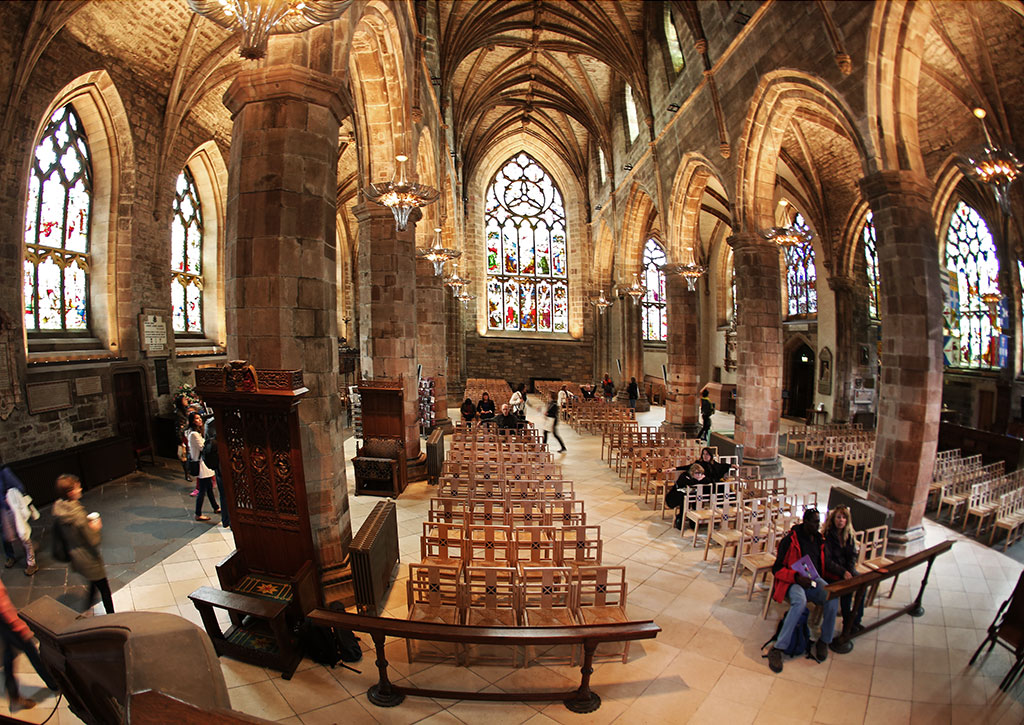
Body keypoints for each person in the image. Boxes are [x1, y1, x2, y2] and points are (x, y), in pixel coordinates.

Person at [766, 508, 840, 673]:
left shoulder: (819, 540)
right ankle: (778, 648)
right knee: (800, 603)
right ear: (805, 522)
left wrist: (842, 572)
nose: (818, 525)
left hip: (813, 580)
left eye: (819, 522)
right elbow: (777, 569)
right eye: (815, 522)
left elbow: (823, 564)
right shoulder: (790, 540)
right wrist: (796, 578)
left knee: (832, 597)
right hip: (794, 581)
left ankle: (824, 640)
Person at [53, 474, 114, 614]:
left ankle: (86, 610)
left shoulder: (60, 509)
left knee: (94, 583)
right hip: (89, 558)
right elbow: (93, 541)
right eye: (77, 487)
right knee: (104, 589)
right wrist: (95, 528)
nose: (80, 489)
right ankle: (112, 616)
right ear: (70, 492)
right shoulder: (78, 515)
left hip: (76, 556)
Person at [0, 580, 57, 712]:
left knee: (9, 654)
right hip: (8, 622)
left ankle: (14, 696)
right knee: (31, 651)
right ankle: (53, 684)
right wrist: (20, 626)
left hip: (3, 623)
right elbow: (3, 605)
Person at [823, 505, 863, 639]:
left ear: (847, 520)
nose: (841, 520)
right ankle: (848, 622)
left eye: (843, 517)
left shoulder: (849, 535)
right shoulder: (828, 536)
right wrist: (843, 572)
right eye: (838, 517)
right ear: (833, 519)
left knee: (863, 585)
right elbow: (828, 561)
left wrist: (850, 570)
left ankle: (856, 620)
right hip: (833, 572)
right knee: (847, 590)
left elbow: (852, 555)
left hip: (846, 570)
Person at [0, 462, 37, 576]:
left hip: (11, 509)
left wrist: (9, 498)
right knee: (6, 536)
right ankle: (10, 556)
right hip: (2, 509)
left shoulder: (4, 472)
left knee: (23, 534)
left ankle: (32, 563)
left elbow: (19, 487)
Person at [187, 411, 220, 522]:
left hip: (204, 464)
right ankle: (198, 513)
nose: (200, 420)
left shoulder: (197, 432)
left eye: (200, 418)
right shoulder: (194, 434)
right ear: (192, 421)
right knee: (202, 490)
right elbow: (203, 447)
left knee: (209, 488)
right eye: (197, 418)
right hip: (201, 464)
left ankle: (215, 507)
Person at [203, 420, 229, 529]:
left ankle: (226, 520)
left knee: (223, 496)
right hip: (223, 467)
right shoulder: (215, 423)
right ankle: (229, 521)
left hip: (218, 468)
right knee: (227, 496)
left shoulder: (208, 424)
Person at [665, 463, 706, 529]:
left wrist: (700, 480)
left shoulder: (698, 478)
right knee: (684, 501)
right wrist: (699, 480)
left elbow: (708, 481)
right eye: (697, 473)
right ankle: (680, 519)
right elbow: (689, 483)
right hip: (675, 497)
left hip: (690, 497)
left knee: (696, 499)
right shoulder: (684, 476)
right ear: (692, 472)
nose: (699, 475)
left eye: (701, 473)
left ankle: (694, 520)